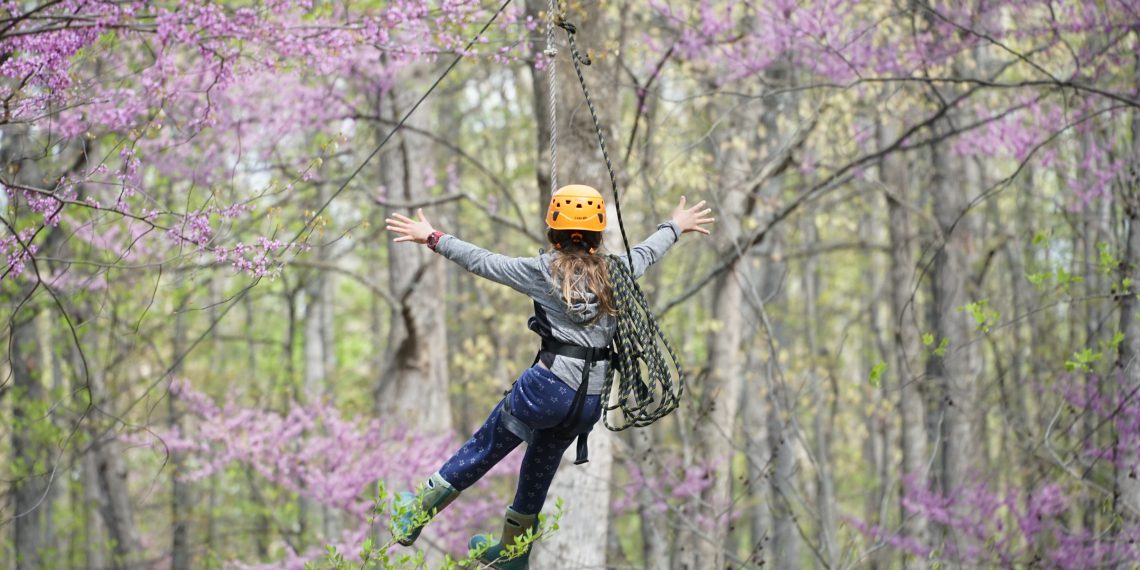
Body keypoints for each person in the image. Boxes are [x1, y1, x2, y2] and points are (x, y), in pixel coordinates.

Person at [384, 184, 714, 569]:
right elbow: (648, 250)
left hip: (545, 389)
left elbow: (483, 261)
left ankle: (416, 513)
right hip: (587, 402)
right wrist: (676, 224)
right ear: (598, 235)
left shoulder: (541, 270)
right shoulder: (619, 271)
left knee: (488, 445)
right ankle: (512, 554)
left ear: (553, 233)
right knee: (539, 468)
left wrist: (435, 238)